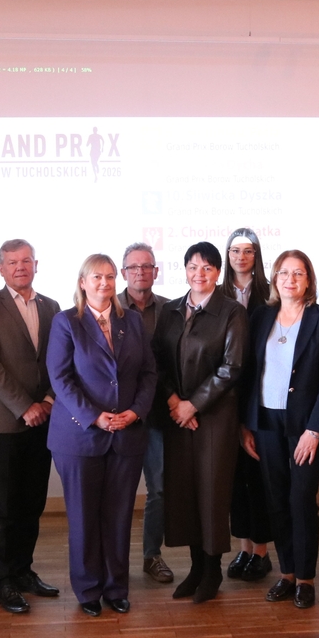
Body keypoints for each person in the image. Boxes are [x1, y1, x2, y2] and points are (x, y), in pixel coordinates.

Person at [47, 255, 158, 616]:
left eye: (110, 277)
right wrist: (95, 417)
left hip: (126, 434)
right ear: (83, 282)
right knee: (83, 518)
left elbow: (148, 373)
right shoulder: (66, 322)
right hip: (79, 437)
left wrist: (135, 411)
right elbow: (60, 378)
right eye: (97, 277)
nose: (104, 283)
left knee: (119, 516)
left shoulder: (132, 321)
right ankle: (88, 590)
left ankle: (116, 587)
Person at [240, 250, 319, 609]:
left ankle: (305, 579)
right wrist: (246, 424)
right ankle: (286, 574)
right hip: (266, 421)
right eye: (284, 273)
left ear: (309, 279)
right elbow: (249, 373)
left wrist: (314, 430)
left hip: (305, 426)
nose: (290, 279)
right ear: (274, 278)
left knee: (301, 500)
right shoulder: (261, 316)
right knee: (277, 499)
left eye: (298, 273)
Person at [153, 241, 248, 604]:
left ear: (218, 272)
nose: (199, 274)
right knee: (185, 494)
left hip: (215, 417)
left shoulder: (232, 311)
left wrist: (193, 405)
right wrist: (175, 403)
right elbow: (156, 362)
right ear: (185, 270)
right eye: (193, 267)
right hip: (177, 417)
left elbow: (232, 367)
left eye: (207, 267)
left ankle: (212, 570)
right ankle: (195, 568)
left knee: (212, 494)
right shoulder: (171, 310)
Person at [0, 239, 62, 614]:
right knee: (4, 507)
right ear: (0, 269)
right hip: (3, 424)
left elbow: (59, 361)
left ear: (36, 265)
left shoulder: (51, 307)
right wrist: (25, 407)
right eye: (12, 262)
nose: (20, 267)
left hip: (44, 421)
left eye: (26, 260)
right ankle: (5, 580)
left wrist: (48, 402)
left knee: (32, 502)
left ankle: (24, 571)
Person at [220, 227, 274, 582]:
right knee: (234, 480)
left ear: (257, 255)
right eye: (235, 251)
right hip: (224, 398)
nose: (241, 257)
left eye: (248, 250)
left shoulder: (270, 293)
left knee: (258, 477)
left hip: (261, 396)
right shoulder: (217, 292)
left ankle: (262, 551)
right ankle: (243, 547)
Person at [120, 242, 174, 584]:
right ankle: (113, 560)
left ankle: (152, 555)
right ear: (123, 272)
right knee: (118, 493)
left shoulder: (171, 310)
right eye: (133, 267)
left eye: (146, 266)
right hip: (119, 417)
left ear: (156, 271)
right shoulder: (107, 306)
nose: (140, 272)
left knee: (159, 490)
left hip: (157, 416)